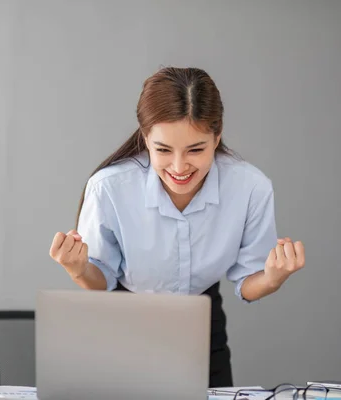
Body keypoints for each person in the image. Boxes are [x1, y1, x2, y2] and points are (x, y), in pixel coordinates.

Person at [48, 67, 305, 387]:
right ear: (145, 139)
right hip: (121, 325)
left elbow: (246, 283)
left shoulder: (251, 188)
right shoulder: (109, 187)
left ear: (217, 136)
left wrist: (272, 278)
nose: (180, 167)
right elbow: (101, 282)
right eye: (163, 150)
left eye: (196, 149)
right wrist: (77, 268)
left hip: (202, 328)